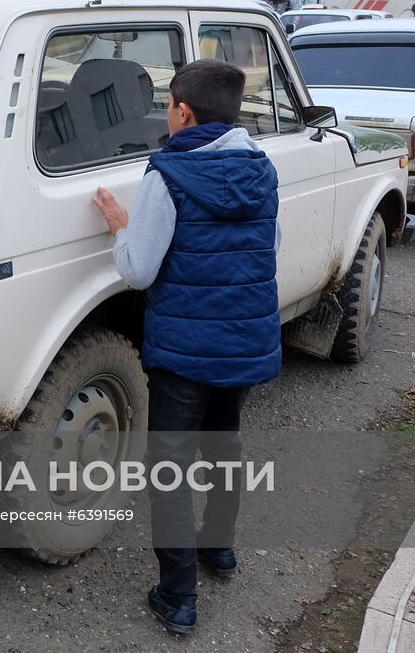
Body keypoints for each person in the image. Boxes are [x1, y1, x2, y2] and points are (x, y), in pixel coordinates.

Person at [91, 59, 281, 637]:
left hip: (185, 350)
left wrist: (121, 226)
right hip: (243, 340)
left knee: (170, 468)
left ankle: (177, 597)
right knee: (224, 446)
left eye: (168, 106)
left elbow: (140, 270)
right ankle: (217, 550)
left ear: (184, 112)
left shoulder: (168, 174)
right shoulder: (261, 168)